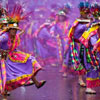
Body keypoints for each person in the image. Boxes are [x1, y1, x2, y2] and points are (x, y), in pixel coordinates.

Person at [67, 2, 91, 86]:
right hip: (78, 45)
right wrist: (86, 26)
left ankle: (90, 79)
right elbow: (76, 33)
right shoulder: (77, 22)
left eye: (88, 12)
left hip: (88, 45)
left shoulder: (90, 21)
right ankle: (80, 79)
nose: (87, 14)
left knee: (89, 62)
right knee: (80, 61)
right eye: (85, 12)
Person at [79, 3, 100, 94]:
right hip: (90, 53)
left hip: (93, 51)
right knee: (92, 68)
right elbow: (94, 43)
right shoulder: (93, 30)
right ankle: (89, 87)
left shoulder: (93, 28)